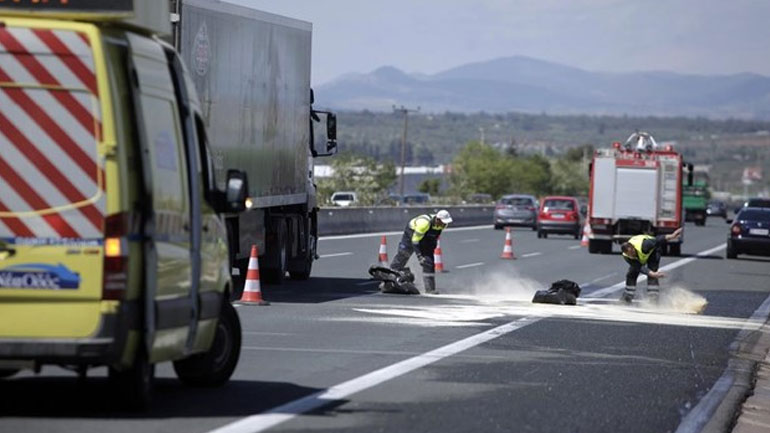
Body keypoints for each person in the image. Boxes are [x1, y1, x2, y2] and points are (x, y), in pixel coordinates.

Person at [390, 210, 453, 294]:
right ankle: (393, 271)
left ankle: (430, 289)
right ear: (437, 220)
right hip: (412, 232)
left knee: (429, 262)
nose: (445, 225)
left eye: (445, 223)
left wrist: (428, 253)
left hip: (427, 236)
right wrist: (419, 256)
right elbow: (415, 241)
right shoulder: (424, 223)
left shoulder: (442, 225)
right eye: (443, 222)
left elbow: (435, 237)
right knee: (405, 253)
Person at [619, 227, 683, 304]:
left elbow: (658, 240)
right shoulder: (627, 257)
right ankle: (627, 297)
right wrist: (651, 273)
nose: (632, 255)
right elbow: (639, 267)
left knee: (652, 275)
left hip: (653, 251)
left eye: (632, 252)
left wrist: (672, 236)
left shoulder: (645, 245)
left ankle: (653, 298)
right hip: (642, 256)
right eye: (629, 254)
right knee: (631, 274)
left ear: (633, 248)